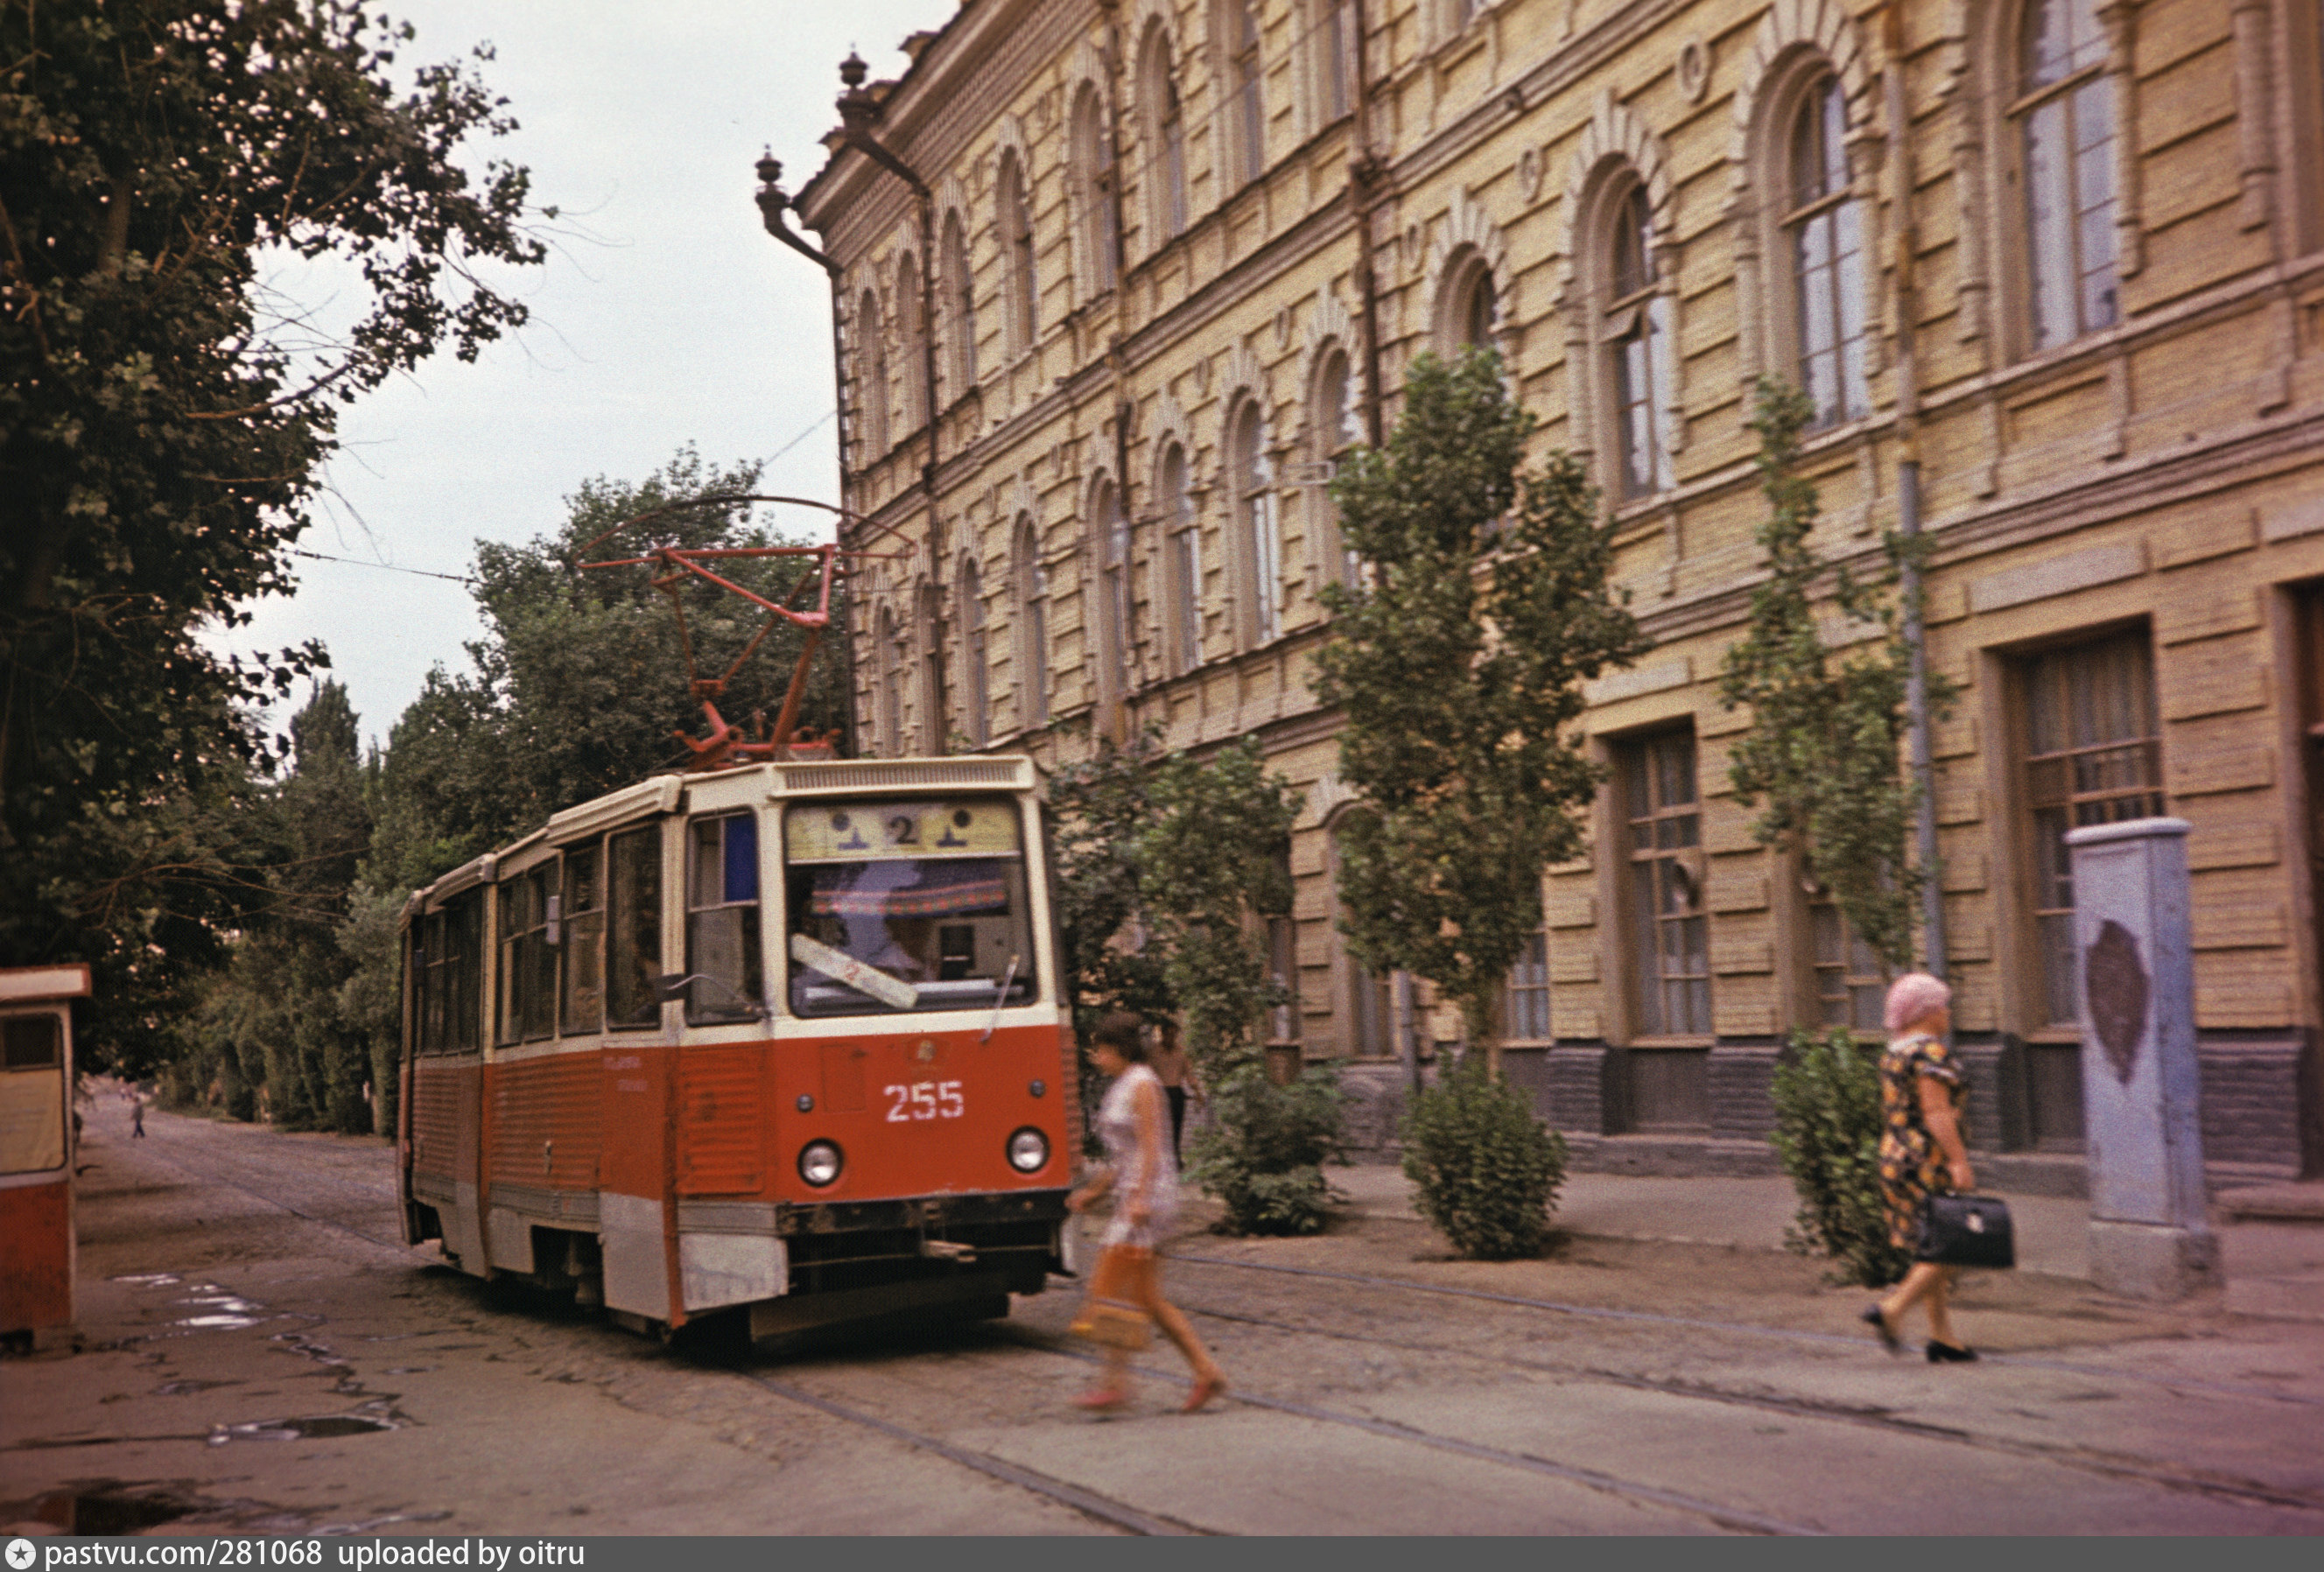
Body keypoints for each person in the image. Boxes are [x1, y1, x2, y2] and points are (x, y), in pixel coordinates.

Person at [1065, 1012, 1227, 1414]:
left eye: (1099, 1049)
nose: (1095, 1056)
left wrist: (1139, 1199)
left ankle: (1116, 1384)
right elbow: (1122, 1154)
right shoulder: (1123, 1085)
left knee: (1111, 1287)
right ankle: (1205, 1372)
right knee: (1144, 1297)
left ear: (1117, 1049)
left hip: (1149, 1199)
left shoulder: (1143, 1084)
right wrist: (1094, 1191)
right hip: (1137, 1196)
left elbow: (1154, 1144)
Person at [1864, 972, 1977, 1363]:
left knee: (1931, 1246)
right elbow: (1935, 1110)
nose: (1947, 1013)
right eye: (1943, 1006)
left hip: (1894, 1156)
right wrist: (1958, 1160)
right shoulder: (1929, 1053)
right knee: (1955, 1244)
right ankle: (1893, 1309)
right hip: (1927, 1160)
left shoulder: (1894, 1052)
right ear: (1926, 1012)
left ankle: (1943, 1337)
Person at [1147, 1021, 1204, 1166]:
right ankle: (1159, 1158)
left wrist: (1198, 1093)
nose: (1171, 1037)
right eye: (1168, 1034)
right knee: (1160, 1126)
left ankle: (1175, 1156)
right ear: (1162, 1034)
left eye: (1174, 1034)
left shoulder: (1181, 1052)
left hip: (1177, 1093)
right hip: (1159, 1093)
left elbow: (1189, 1075)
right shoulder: (1153, 1053)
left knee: (1176, 1126)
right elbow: (1147, 1075)